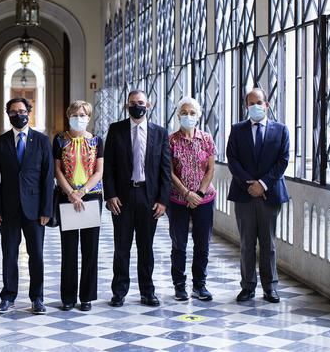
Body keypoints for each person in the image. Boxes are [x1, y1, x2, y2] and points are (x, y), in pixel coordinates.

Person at [103, 90, 171, 307]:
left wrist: (163, 200)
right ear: (126, 106)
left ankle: (147, 291)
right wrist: (110, 194)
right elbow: (109, 167)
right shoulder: (116, 130)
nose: (137, 106)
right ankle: (119, 291)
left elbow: (165, 170)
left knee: (146, 247)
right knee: (121, 247)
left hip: (148, 196)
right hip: (122, 196)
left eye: (140, 102)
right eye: (132, 103)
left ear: (148, 105)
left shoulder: (159, 133)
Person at [0, 98, 54, 315]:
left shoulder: (43, 141)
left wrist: (47, 209)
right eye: (14, 111)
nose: (19, 115)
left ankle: (37, 298)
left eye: (22, 111)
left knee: (37, 255)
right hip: (7, 209)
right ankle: (8, 297)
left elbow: (47, 178)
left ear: (29, 112)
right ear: (8, 114)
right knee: (9, 254)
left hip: (35, 210)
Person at [227, 88, 289, 303]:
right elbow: (232, 160)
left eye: (259, 102)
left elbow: (283, 161)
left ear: (267, 104)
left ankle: (270, 287)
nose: (255, 106)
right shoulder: (237, 130)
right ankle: (248, 287)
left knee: (268, 244)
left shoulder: (281, 130)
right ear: (246, 106)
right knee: (246, 244)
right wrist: (249, 185)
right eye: (251, 103)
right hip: (244, 195)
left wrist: (262, 184)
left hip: (269, 195)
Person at [53, 100, 103, 312]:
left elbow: (99, 171)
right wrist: (72, 193)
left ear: (89, 117)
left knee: (90, 249)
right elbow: (57, 171)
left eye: (83, 115)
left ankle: (87, 296)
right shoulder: (59, 140)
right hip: (67, 197)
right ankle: (68, 297)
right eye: (75, 114)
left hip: (92, 197)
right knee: (69, 249)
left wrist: (82, 192)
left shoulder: (97, 140)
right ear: (68, 116)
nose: (79, 118)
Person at [167, 97, 216, 302]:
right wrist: (187, 193)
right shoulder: (171, 140)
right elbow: (169, 172)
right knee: (179, 243)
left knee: (202, 244)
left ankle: (199, 285)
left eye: (192, 113)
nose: (188, 116)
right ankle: (180, 286)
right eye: (185, 112)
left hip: (205, 200)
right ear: (178, 115)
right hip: (178, 200)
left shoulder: (206, 138)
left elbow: (211, 169)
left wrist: (200, 194)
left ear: (198, 115)